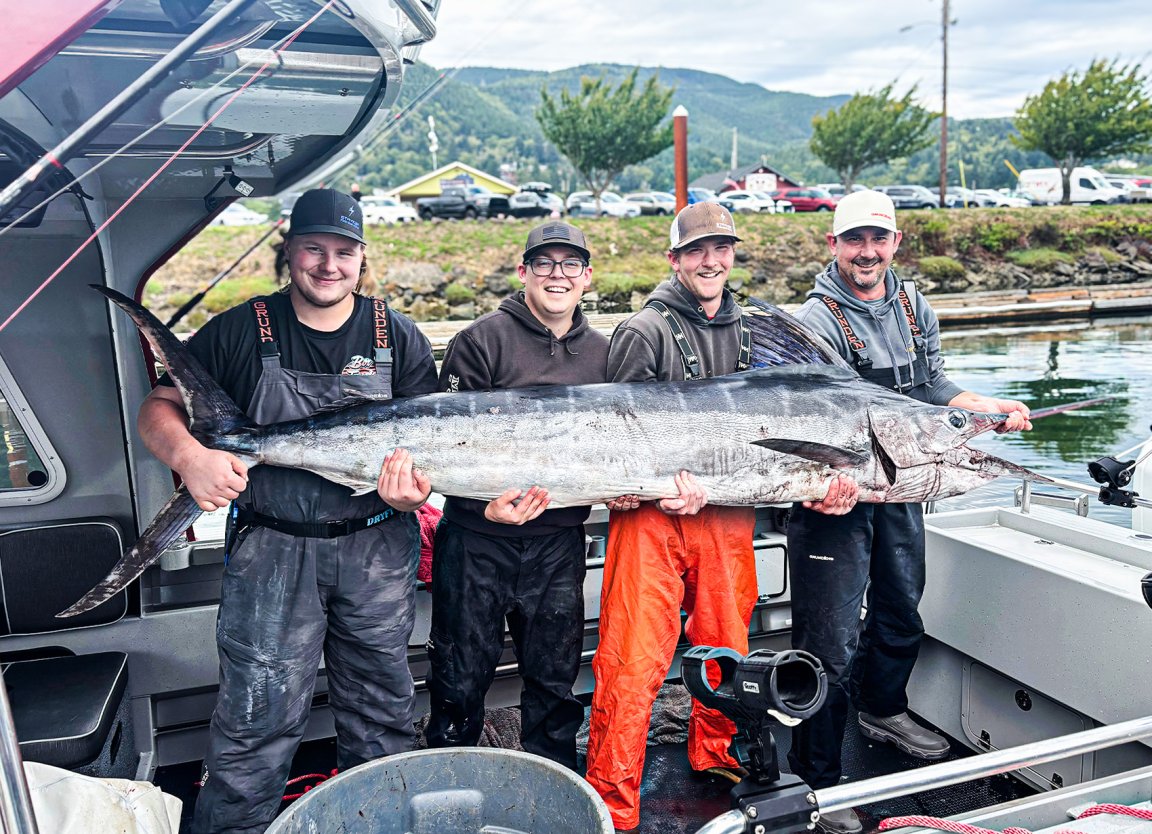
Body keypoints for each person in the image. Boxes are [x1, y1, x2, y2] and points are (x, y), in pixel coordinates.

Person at [138, 188, 438, 834]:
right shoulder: (244, 329)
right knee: (253, 727)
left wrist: (417, 489)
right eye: (313, 249)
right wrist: (191, 459)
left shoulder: (400, 337)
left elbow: (429, 444)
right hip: (273, 552)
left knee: (384, 721)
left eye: (343, 252)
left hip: (377, 550)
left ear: (361, 258)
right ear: (289, 251)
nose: (328, 265)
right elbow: (157, 409)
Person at [584, 202, 858, 833]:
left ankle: (716, 759)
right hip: (651, 523)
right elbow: (617, 436)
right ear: (675, 259)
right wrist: (653, 491)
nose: (711, 262)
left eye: (722, 249)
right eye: (696, 251)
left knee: (727, 653)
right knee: (631, 663)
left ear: (732, 254)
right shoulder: (642, 332)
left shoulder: (758, 331)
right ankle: (614, 803)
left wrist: (820, 485)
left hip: (729, 520)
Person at [786, 189, 1032, 834]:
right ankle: (818, 784)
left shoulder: (912, 305)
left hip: (899, 481)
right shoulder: (815, 319)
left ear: (896, 242)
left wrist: (989, 410)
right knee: (829, 643)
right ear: (834, 244)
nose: (867, 252)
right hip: (834, 496)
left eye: (879, 239)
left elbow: (936, 387)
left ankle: (884, 705)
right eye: (854, 240)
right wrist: (822, 483)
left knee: (902, 608)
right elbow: (812, 417)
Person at [424, 221, 609, 769]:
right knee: (459, 679)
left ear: (587, 278)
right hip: (477, 541)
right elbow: (439, 441)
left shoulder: (605, 354)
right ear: (523, 272)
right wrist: (483, 506)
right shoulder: (479, 342)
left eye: (570, 264)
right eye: (545, 263)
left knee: (555, 683)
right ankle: (450, 781)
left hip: (559, 544)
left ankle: (553, 788)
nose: (558, 275)